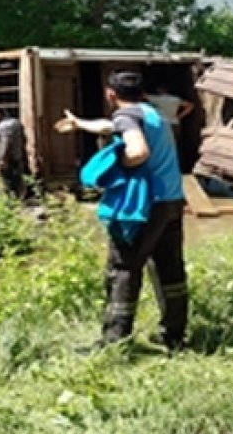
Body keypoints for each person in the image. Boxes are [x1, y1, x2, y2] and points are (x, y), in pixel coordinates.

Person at [64, 71, 188, 351]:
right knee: (170, 270)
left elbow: (138, 151)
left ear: (110, 94)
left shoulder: (128, 117)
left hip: (144, 206)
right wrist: (79, 123)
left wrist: (116, 167)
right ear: (143, 93)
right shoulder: (151, 114)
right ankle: (174, 335)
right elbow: (111, 126)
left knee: (123, 268)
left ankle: (114, 341)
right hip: (171, 201)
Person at [0, 106, 29, 198]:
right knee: (18, 179)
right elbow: (24, 139)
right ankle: (19, 198)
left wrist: (3, 158)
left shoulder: (4, 126)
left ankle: (12, 200)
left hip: (9, 158)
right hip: (18, 155)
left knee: (9, 181)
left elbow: (6, 143)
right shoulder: (15, 122)